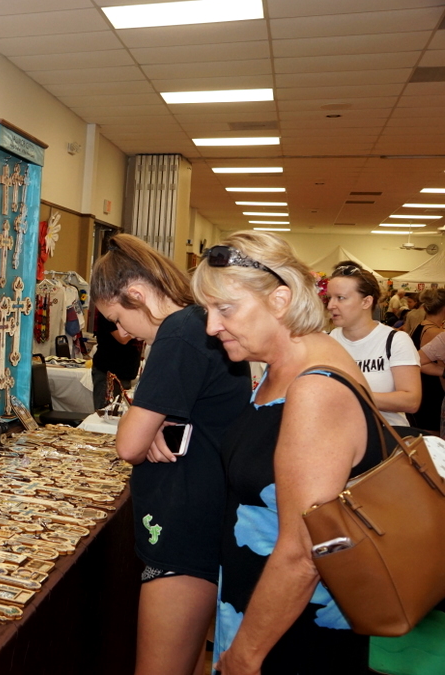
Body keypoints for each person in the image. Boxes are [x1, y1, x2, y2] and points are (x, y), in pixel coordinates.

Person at [192, 232, 384, 674]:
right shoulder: (282, 369)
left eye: (225, 309)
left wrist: (246, 655)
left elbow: (303, 551)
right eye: (207, 311)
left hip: (290, 632)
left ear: (280, 301)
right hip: (260, 610)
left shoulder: (314, 388)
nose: (211, 327)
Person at [90, 234, 251, 675]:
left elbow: (128, 445)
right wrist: (156, 423)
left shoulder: (179, 332)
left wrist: (147, 426)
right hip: (196, 515)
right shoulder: (194, 326)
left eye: (118, 318)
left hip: (185, 526)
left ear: (136, 294)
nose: (123, 332)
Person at [326, 261, 420, 426]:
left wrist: (351, 394)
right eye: (329, 298)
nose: (331, 305)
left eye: (340, 298)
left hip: (386, 434)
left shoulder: (395, 340)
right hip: (337, 433)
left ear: (366, 302)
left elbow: (411, 400)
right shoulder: (326, 342)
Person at [408, 287, 445, 432]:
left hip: (422, 386)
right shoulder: (436, 332)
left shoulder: (421, 325)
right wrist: (442, 371)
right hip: (432, 392)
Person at [91, 308, 141, 410]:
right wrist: (140, 329)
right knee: (105, 412)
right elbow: (122, 338)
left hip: (127, 372)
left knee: (121, 412)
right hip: (108, 372)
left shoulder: (133, 311)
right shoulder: (108, 311)